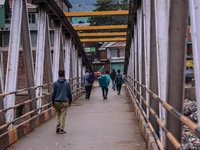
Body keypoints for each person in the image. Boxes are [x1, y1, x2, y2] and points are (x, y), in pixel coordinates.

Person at [51, 70, 72, 134]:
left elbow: (53, 94)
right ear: (64, 75)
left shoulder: (55, 83)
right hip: (65, 101)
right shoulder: (67, 83)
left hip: (57, 101)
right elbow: (69, 93)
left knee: (58, 113)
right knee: (63, 115)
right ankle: (62, 129)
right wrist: (70, 101)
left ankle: (58, 124)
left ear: (58, 75)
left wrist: (53, 102)